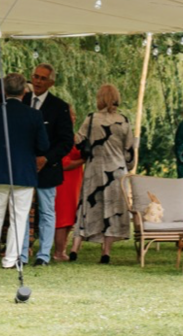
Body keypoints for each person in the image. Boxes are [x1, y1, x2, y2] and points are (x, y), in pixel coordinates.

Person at [0, 72, 50, 270]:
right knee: (19, 219)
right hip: (24, 173)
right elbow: (43, 146)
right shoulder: (34, 115)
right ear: (24, 91)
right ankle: (10, 260)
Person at [70, 85, 136, 264]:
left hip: (94, 169)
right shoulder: (123, 120)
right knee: (111, 209)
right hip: (116, 171)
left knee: (86, 206)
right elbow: (129, 150)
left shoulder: (92, 119)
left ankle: (75, 247)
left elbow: (78, 140)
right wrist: (128, 166)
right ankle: (106, 251)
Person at [25, 63, 75, 267]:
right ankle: (20, 253)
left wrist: (46, 159)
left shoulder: (59, 106)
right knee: (22, 211)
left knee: (46, 211)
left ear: (51, 83)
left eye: (43, 78)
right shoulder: (23, 100)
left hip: (48, 167)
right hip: (24, 166)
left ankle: (43, 255)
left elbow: (66, 141)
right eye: (35, 76)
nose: (37, 81)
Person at [52, 110, 83, 263]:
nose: (74, 117)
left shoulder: (73, 135)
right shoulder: (61, 136)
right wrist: (83, 160)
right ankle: (58, 251)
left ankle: (62, 249)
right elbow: (64, 163)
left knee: (70, 218)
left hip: (75, 181)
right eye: (71, 114)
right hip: (64, 181)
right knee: (62, 218)